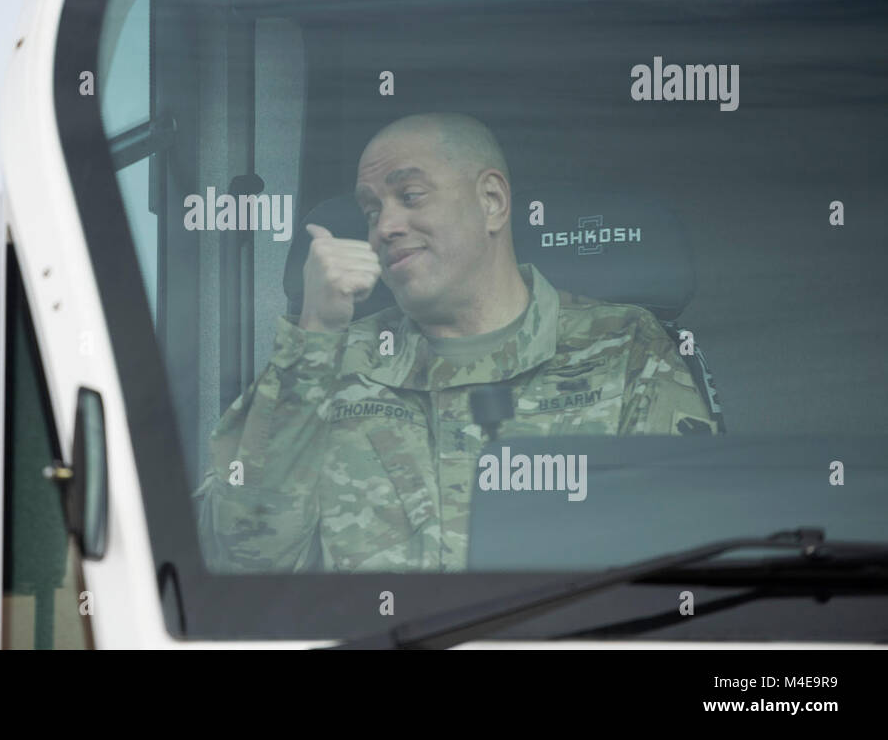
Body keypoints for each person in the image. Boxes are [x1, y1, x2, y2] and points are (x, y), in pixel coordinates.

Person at [195, 113, 717, 573]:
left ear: (492, 201)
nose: (385, 227)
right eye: (372, 210)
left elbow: (677, 571)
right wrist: (313, 336)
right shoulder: (326, 361)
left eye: (411, 196)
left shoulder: (625, 349)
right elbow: (241, 560)